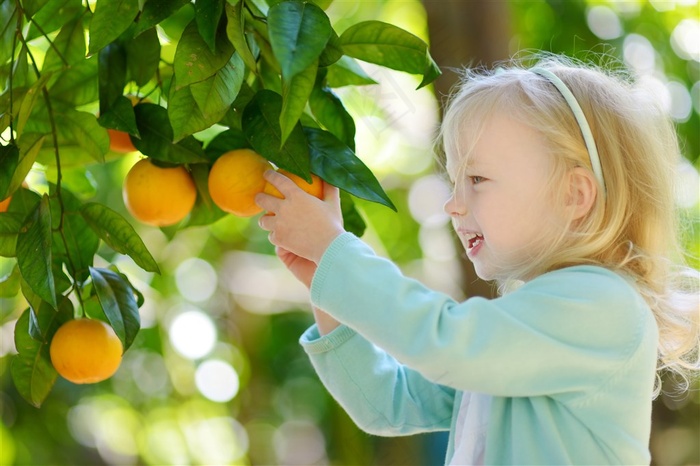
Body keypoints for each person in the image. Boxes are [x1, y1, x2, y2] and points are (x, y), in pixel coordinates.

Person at [255, 54, 700, 465]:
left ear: (574, 194)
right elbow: (389, 402)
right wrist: (326, 280)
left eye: (477, 178)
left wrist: (337, 251)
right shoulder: (530, 329)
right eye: (453, 181)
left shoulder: (601, 305)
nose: (453, 204)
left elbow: (442, 341)